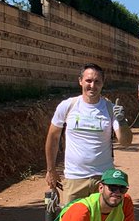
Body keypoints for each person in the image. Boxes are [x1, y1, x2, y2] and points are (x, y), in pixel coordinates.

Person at [45, 63, 132, 205]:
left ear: (103, 83)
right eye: (88, 81)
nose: (92, 85)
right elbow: (53, 138)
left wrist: (121, 121)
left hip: (103, 180)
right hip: (75, 178)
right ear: (80, 81)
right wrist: (51, 170)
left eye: (97, 81)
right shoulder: (68, 106)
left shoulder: (110, 109)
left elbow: (126, 142)